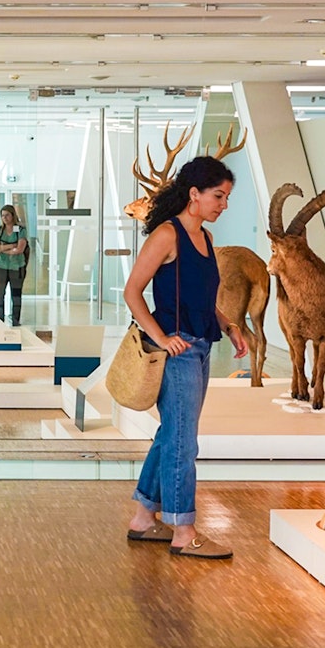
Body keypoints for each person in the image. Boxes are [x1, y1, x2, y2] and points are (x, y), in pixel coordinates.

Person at [123, 156, 248, 559]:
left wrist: (229, 325)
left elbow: (203, 300)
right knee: (182, 442)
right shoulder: (167, 234)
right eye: (218, 196)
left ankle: (144, 517)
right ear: (193, 194)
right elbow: (132, 292)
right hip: (176, 352)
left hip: (202, 346)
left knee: (172, 434)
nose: (223, 205)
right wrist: (160, 336)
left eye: (226, 197)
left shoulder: (206, 239)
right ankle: (183, 530)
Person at [0, 204, 28, 326]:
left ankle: (15, 320)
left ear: (13, 215)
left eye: (7, 215)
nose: (5, 218)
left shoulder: (20, 230)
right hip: (1, 266)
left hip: (16, 267)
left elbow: (20, 249)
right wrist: (11, 246)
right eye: (2, 216)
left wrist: (1, 248)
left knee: (16, 294)